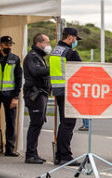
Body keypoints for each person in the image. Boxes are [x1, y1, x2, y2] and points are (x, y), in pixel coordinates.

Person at [50, 27, 82, 166]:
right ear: (70, 37)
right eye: (75, 38)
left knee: (63, 123)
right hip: (69, 91)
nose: (75, 41)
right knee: (68, 124)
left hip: (58, 90)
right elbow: (82, 70)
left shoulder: (55, 51)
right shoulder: (70, 53)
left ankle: (59, 155)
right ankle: (65, 155)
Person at [23, 33, 52, 164]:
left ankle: (33, 153)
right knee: (35, 124)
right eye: (47, 42)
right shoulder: (32, 57)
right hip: (35, 94)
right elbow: (35, 71)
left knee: (38, 124)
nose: (49, 45)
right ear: (39, 43)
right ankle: (30, 154)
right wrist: (52, 69)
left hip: (41, 94)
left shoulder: (40, 57)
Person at [0, 36, 22, 157]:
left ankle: (10, 149)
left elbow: (18, 79)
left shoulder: (15, 59)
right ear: (1, 44)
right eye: (6, 44)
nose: (9, 46)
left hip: (9, 94)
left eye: (10, 44)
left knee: (10, 122)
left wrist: (15, 97)